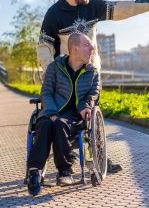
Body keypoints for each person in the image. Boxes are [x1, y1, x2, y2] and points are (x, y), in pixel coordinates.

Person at [36, 0, 149, 173]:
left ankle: (100, 159)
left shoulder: (93, 6)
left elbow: (121, 8)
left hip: (90, 75)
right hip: (65, 76)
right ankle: (68, 155)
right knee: (64, 116)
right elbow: (44, 47)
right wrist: (49, 74)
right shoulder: (54, 13)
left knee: (92, 116)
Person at [27, 33, 100, 196]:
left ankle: (65, 171)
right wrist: (52, 113)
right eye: (87, 45)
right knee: (45, 124)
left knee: (60, 124)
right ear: (75, 49)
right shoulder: (55, 67)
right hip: (52, 110)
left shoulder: (92, 72)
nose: (92, 48)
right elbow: (45, 92)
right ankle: (34, 171)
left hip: (75, 116)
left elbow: (93, 94)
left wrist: (86, 105)